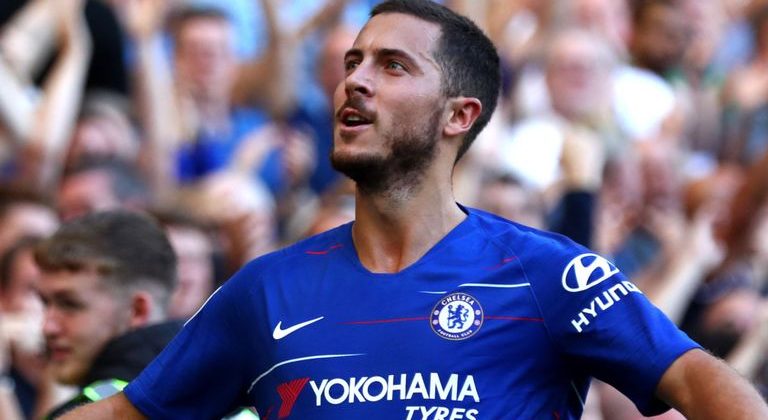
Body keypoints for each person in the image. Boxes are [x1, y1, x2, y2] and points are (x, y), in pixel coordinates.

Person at [64, 1, 768, 419]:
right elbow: (128, 414)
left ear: (459, 115)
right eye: (353, 62)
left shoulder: (549, 274)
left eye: (392, 66)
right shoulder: (265, 288)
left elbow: (701, 382)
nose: (356, 81)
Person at [33, 210, 180, 417]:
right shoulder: (218, 393)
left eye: (70, 304)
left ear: (137, 311)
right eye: (45, 303)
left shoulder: (97, 412)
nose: (48, 327)